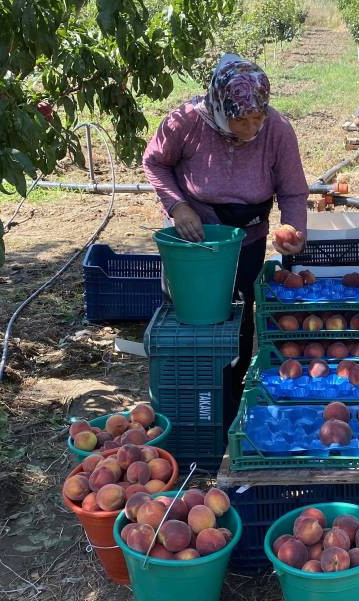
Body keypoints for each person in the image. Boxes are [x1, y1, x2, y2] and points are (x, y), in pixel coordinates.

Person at [142, 54, 309, 430]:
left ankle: (228, 402)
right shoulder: (183, 122)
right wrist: (178, 205)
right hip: (193, 240)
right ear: (219, 107)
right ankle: (184, 397)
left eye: (257, 118)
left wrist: (293, 228)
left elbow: (293, 191)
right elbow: (154, 163)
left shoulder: (278, 130)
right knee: (189, 319)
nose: (251, 128)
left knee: (238, 320)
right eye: (241, 119)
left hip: (246, 238)